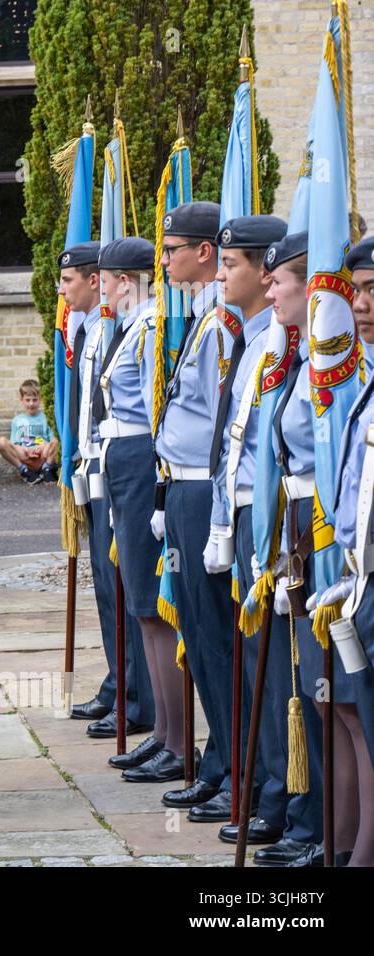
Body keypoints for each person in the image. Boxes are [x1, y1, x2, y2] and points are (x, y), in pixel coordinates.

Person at [202, 216, 314, 856]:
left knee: (299, 682)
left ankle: (304, 813)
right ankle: (277, 795)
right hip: (256, 517)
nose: (270, 293)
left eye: (280, 280)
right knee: (260, 669)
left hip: (301, 525)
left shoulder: (305, 351)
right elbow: (241, 437)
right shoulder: (263, 345)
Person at [150, 201, 239, 819]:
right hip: (180, 487)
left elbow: (220, 421)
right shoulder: (204, 317)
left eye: (173, 248)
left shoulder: (223, 325)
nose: (165, 258)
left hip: (204, 487)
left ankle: (236, 769)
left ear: (203, 253)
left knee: (214, 636)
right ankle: (218, 761)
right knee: (198, 634)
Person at [57, 242, 152, 738]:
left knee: (126, 585)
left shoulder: (124, 326)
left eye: (69, 280)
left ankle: (138, 694)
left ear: (101, 280)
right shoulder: (92, 328)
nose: (61, 290)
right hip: (97, 464)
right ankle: (121, 683)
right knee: (107, 584)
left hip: (124, 463)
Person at [301, 236, 374, 867]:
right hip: (359, 582)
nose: (367, 306)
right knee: (355, 717)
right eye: (360, 292)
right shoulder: (366, 380)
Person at [88, 238, 162, 760]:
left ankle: (158, 716)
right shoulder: (128, 326)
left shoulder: (150, 326)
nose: (104, 289)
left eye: (109, 280)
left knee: (143, 593)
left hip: (138, 454)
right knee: (131, 590)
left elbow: (155, 409)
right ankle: (159, 724)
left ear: (126, 280)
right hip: (119, 454)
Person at [0, 380, 58, 483]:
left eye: (35, 400)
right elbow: (14, 444)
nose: (31, 403)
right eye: (27, 400)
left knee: (58, 439)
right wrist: (26, 450)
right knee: (1, 442)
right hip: (25, 456)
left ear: (40, 400)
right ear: (22, 400)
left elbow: (52, 441)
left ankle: (46, 469)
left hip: (42, 455)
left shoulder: (46, 417)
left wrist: (41, 447)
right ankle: (24, 470)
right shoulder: (17, 420)